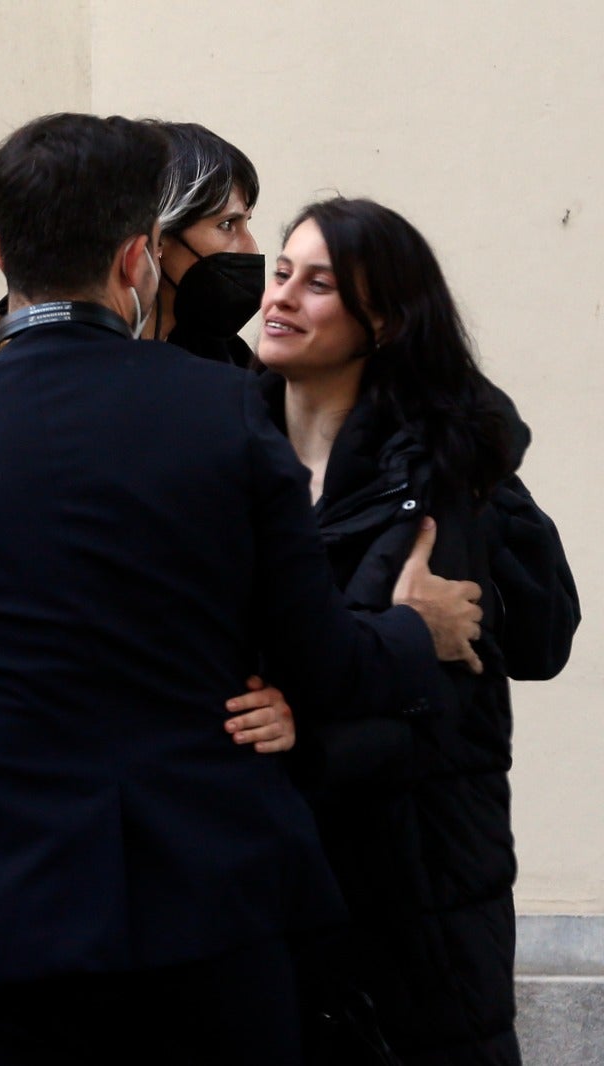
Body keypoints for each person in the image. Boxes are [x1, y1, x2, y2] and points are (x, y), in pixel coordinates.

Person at [0, 112, 486, 1065]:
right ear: (136, 258)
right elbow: (317, 654)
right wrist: (409, 628)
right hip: (207, 901)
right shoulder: (222, 410)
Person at [257, 197, 580, 1064]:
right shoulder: (230, 455)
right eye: (280, 272)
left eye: (317, 283)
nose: (279, 298)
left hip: (421, 872)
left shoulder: (437, 473)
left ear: (385, 320)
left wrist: (301, 732)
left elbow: (441, 698)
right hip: (276, 868)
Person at [144, 120, 263, 366]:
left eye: (246, 223)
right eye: (227, 224)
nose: (251, 248)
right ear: (158, 237)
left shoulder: (230, 359)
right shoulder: (92, 362)